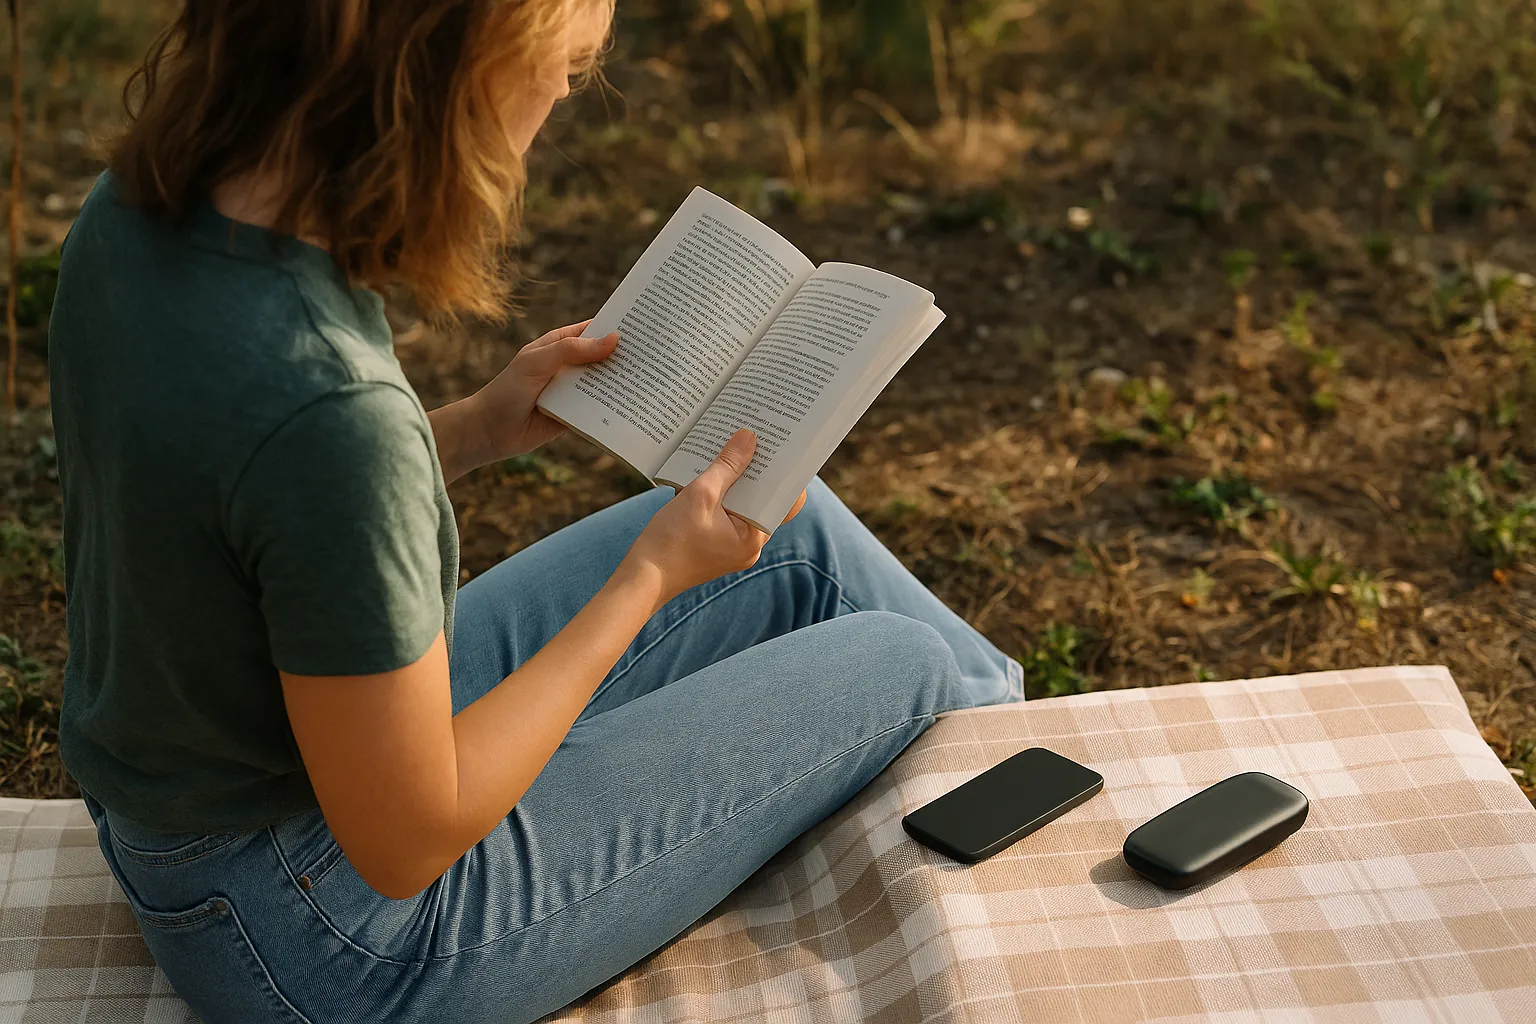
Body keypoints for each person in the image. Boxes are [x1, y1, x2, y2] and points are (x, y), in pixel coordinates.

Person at [47, 2, 1023, 1021]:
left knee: (800, 538)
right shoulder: (331, 411)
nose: (564, 90)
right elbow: (407, 843)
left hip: (206, 800)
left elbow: (243, 499)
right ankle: (1050, 801)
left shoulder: (141, 212)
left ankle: (1026, 738)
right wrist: (650, 579)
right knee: (895, 659)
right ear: (447, 73)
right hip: (328, 935)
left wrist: (471, 428)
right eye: (566, 62)